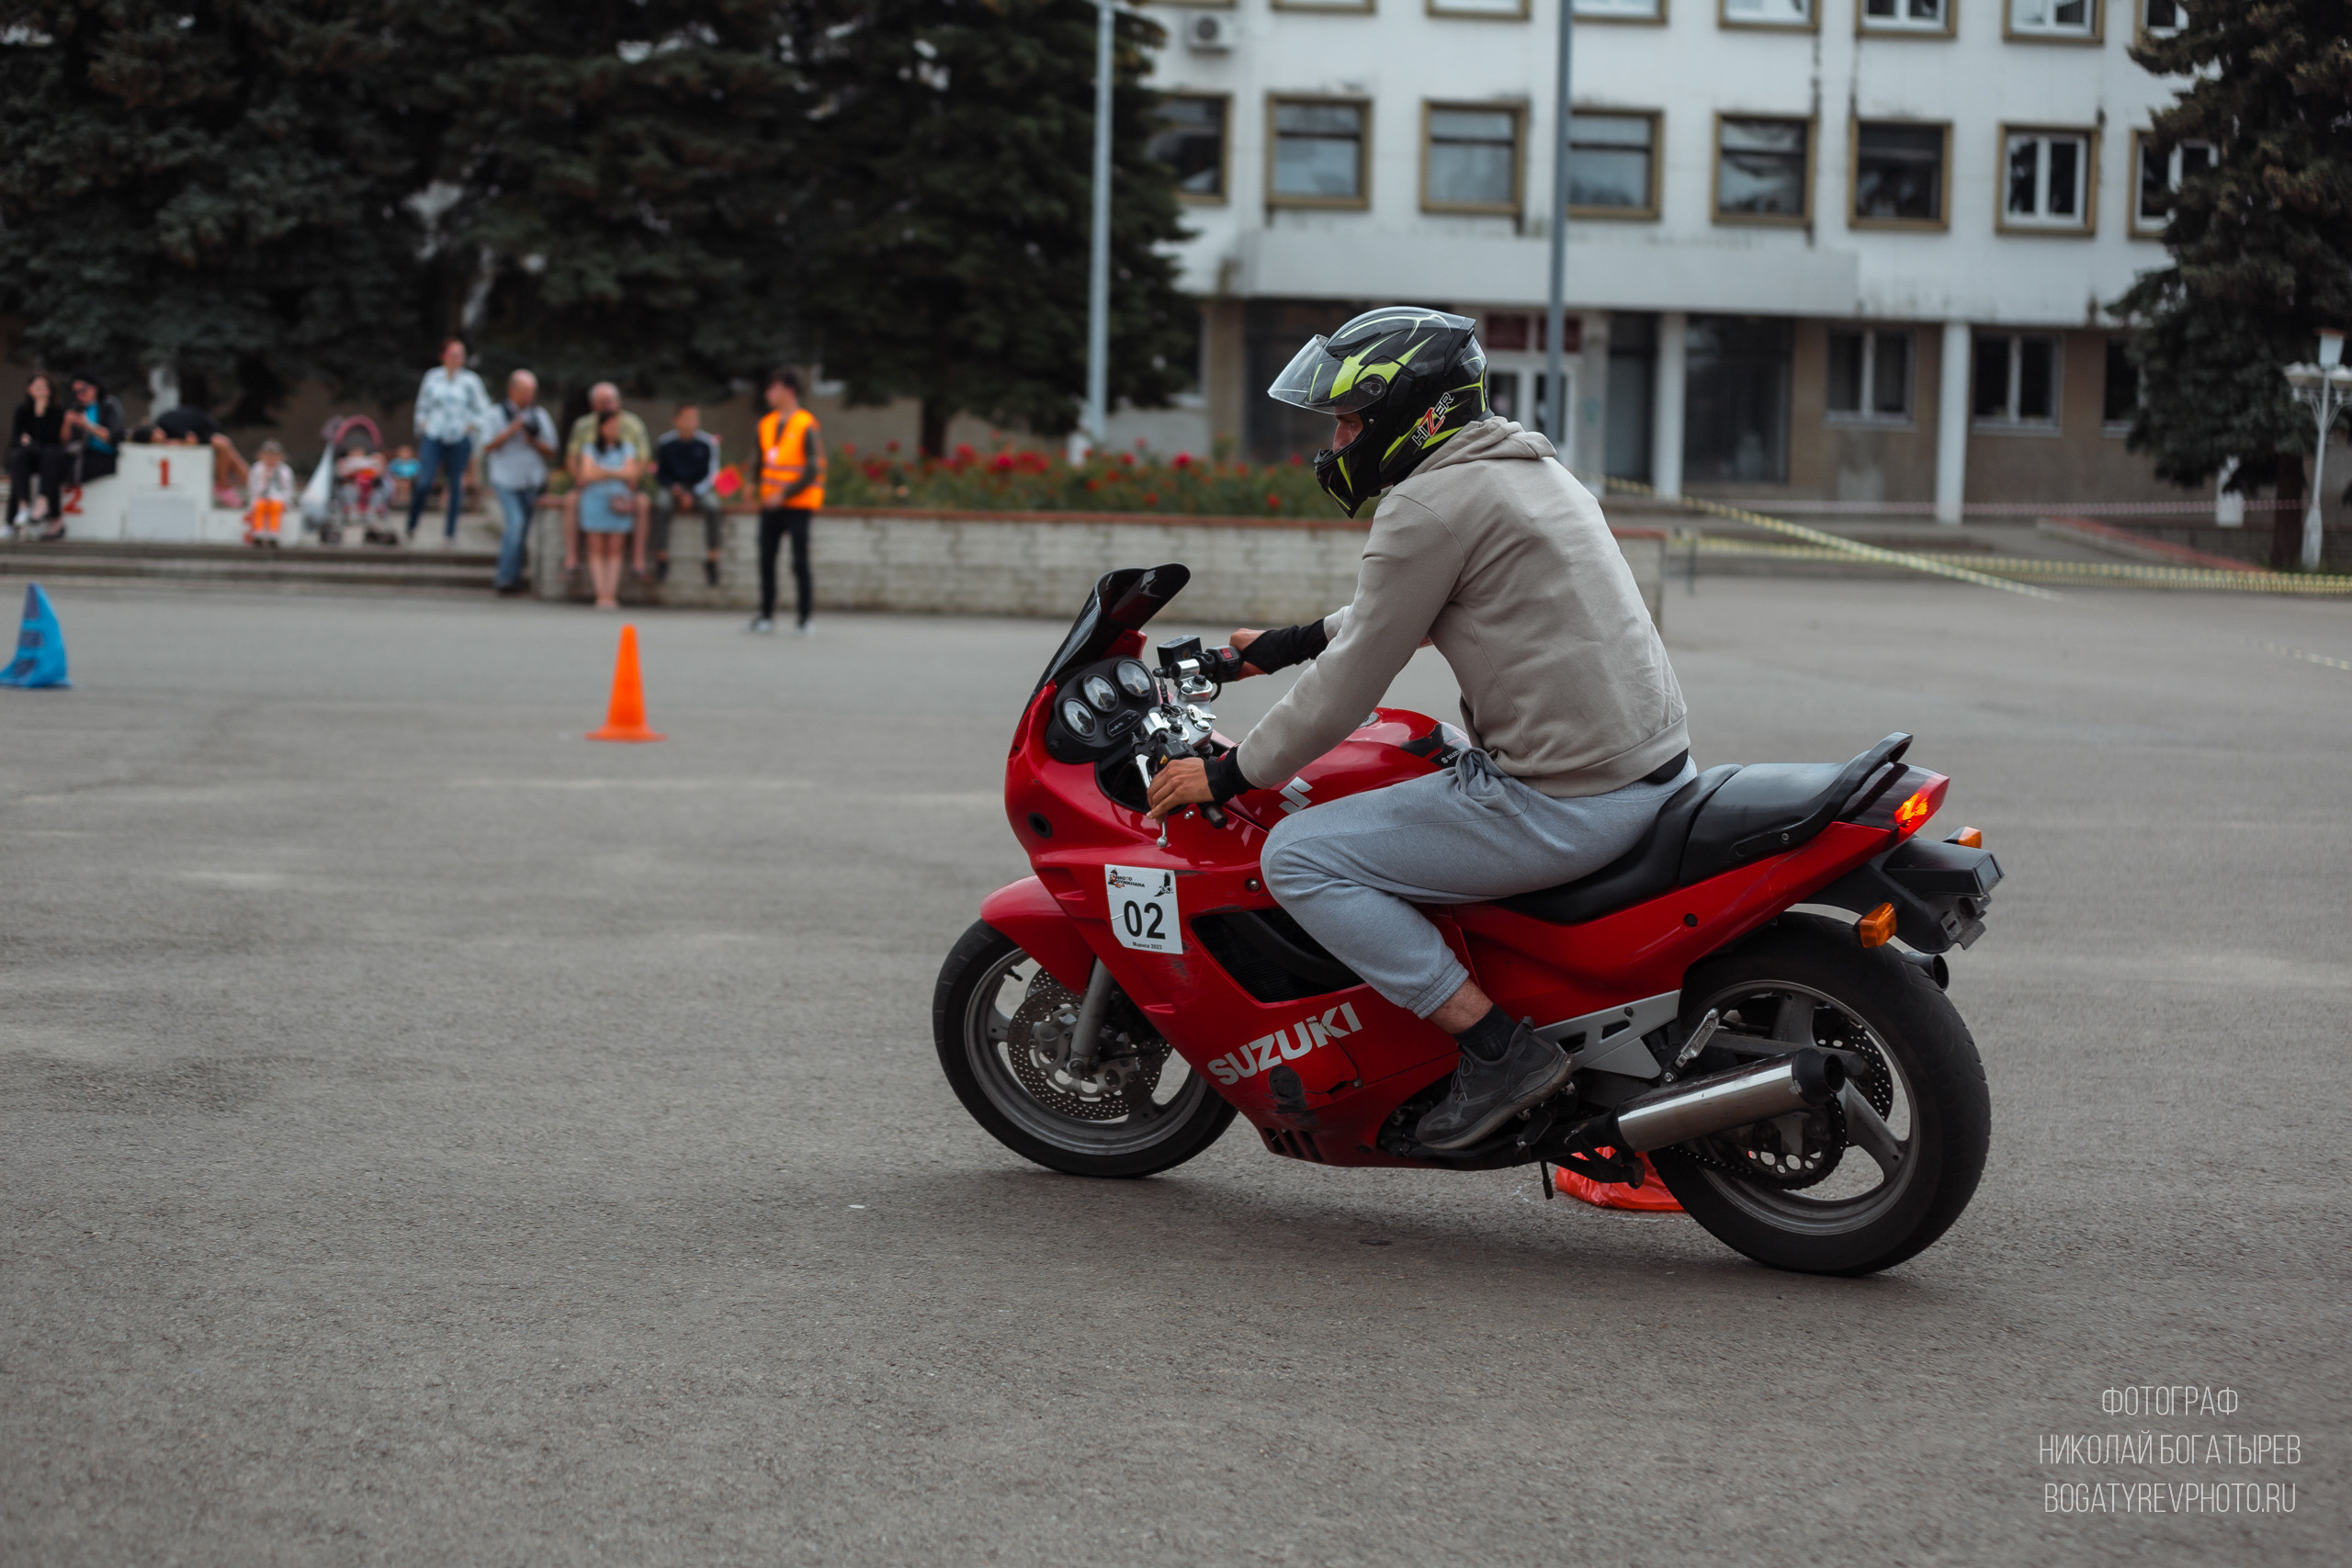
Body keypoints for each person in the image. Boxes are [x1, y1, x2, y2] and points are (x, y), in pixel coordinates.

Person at [1143, 307, 1691, 1153]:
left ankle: (1496, 1048)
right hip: (1641, 767)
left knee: (1300, 855)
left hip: (1569, 799)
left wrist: (1229, 773)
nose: (1336, 440)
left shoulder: (1428, 504)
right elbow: (1404, 608)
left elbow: (1352, 679)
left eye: (1350, 419)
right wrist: (1283, 645)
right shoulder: (1521, 467)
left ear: (1412, 412)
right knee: (1414, 745)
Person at [752, 367, 825, 635]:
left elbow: (812, 469)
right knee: (766, 559)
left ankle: (805, 618)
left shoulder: (806, 424)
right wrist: (753, 487)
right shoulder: (766, 423)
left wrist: (783, 494)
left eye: (773, 388)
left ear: (788, 391)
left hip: (798, 505)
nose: (768, 394)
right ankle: (766, 615)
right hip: (769, 505)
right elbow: (761, 462)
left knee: (799, 561)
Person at [405, 336, 493, 545]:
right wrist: (424, 425)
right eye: (454, 354)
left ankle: (450, 533)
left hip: (459, 438)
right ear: (443, 356)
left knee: (456, 485)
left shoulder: (471, 382)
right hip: (434, 436)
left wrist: (470, 427)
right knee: (425, 481)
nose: (458, 358)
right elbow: (422, 408)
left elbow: (483, 409)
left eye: (461, 355)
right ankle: (412, 524)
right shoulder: (432, 377)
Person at [560, 382, 651, 581]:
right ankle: (571, 559)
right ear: (594, 404)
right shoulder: (583, 425)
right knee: (571, 500)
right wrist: (581, 478)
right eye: (604, 402)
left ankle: (638, 561)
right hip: (590, 486)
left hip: (626, 487)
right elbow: (573, 458)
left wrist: (631, 478)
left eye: (612, 401)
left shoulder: (632, 425)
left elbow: (642, 460)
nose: (609, 405)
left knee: (643, 503)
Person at [482, 370, 559, 595]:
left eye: (532, 392)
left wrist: (533, 441)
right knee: (514, 526)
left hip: (531, 479)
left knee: (523, 531)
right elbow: (486, 446)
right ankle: (504, 578)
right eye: (525, 391)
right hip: (506, 479)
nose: (529, 396)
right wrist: (511, 431)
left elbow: (552, 449)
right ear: (511, 390)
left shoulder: (539, 415)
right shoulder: (495, 414)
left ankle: (514, 578)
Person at [571, 410, 644, 611]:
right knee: (596, 549)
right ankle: (600, 594)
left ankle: (610, 593)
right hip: (594, 501)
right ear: (601, 428)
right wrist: (616, 473)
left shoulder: (627, 448)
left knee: (615, 549)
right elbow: (586, 473)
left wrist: (601, 471)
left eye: (617, 426)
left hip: (618, 502)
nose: (614, 430)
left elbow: (631, 472)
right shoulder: (589, 448)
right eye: (611, 426)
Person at [650, 402, 723, 586]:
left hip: (699, 488)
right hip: (672, 487)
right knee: (661, 504)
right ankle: (661, 557)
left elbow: (712, 474)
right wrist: (675, 489)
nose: (693, 422)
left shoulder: (707, 443)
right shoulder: (665, 443)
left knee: (713, 506)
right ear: (676, 420)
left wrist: (693, 493)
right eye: (688, 418)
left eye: (695, 418)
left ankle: (712, 558)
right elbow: (659, 473)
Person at [55, 374, 127, 540]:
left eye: (83, 390)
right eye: (76, 392)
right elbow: (65, 440)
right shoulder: (76, 407)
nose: (79, 395)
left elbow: (114, 436)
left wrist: (87, 425)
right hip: (80, 454)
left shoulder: (109, 405)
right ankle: (50, 515)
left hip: (103, 455)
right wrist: (67, 422)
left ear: (94, 388)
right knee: (50, 461)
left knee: (57, 468)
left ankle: (52, 515)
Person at [9, 373, 68, 533]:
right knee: (17, 457)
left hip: (52, 457)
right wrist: (23, 440)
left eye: (43, 388)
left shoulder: (57, 410)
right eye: (36, 387)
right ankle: (23, 507)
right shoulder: (22, 409)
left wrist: (40, 414)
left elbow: (53, 439)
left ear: (50, 391)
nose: (40, 391)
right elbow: (14, 438)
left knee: (50, 457)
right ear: (29, 390)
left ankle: (42, 502)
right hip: (30, 456)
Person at [150, 401, 251, 492]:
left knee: (224, 447)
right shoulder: (166, 425)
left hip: (203, 429)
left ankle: (225, 484)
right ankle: (247, 483)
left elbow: (191, 440)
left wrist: (176, 443)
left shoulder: (166, 423)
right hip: (200, 427)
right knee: (229, 453)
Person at [243, 439, 297, 546]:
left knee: (275, 506)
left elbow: (288, 489)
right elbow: (252, 488)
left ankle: (273, 534)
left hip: (278, 499)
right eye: (268, 455)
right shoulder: (257, 469)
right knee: (259, 506)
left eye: (274, 455)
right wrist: (264, 479)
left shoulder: (285, 470)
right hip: (260, 497)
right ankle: (258, 534)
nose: (271, 459)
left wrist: (284, 500)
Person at [388, 445, 420, 512]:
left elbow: (417, 473)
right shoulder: (395, 462)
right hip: (397, 480)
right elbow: (391, 472)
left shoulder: (414, 463)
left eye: (406, 453)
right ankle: (396, 500)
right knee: (397, 484)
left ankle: (404, 501)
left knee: (406, 484)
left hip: (410, 480)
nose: (404, 454)